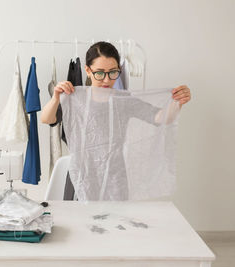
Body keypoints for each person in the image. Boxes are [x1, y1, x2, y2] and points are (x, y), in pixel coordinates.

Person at [40, 41, 191, 200]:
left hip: (115, 179)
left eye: (112, 72)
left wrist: (177, 102)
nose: (106, 80)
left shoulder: (123, 101)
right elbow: (47, 119)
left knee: (115, 221)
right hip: (81, 177)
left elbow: (161, 118)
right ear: (88, 71)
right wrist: (56, 97)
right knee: (80, 221)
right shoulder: (75, 98)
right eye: (100, 73)